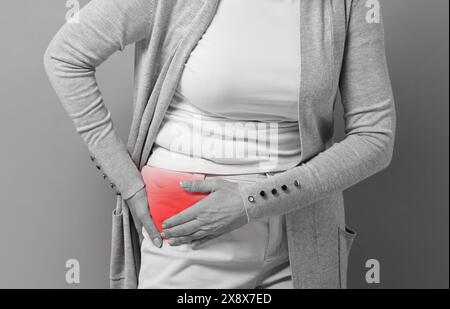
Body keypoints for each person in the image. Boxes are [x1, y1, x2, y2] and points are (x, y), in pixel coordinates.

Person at [44, 0, 396, 289]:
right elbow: (65, 56)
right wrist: (128, 184)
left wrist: (250, 202)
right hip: (187, 237)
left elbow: (375, 136)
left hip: (300, 237)